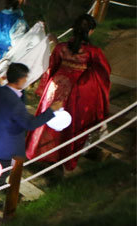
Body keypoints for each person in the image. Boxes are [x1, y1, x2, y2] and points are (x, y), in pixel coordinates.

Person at [0, 63, 62, 210]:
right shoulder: (14, 103)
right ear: (20, 80)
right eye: (25, 78)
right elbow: (30, 123)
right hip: (7, 147)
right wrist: (51, 111)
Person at [26, 14, 111, 171]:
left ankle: (41, 152)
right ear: (91, 31)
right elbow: (104, 72)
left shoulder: (61, 47)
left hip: (55, 86)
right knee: (69, 124)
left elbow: (52, 66)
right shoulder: (93, 52)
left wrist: (44, 87)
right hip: (76, 91)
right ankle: (60, 156)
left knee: (48, 120)